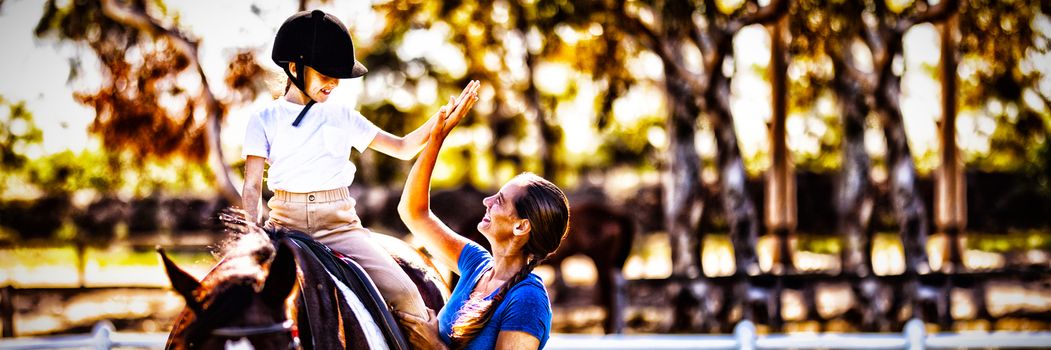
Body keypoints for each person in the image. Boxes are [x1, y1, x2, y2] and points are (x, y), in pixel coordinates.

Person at [240, 9, 479, 324]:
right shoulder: (263, 119)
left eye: (338, 76)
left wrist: (439, 123)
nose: (335, 84)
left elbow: (404, 147)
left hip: (340, 226)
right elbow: (252, 186)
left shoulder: (342, 115)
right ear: (295, 68)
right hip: (285, 226)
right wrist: (250, 236)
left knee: (406, 294)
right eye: (326, 75)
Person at [396, 91, 570, 349]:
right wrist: (437, 138)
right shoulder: (475, 264)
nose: (486, 201)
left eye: (500, 200)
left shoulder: (527, 301)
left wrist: (432, 345)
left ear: (521, 226)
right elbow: (414, 212)